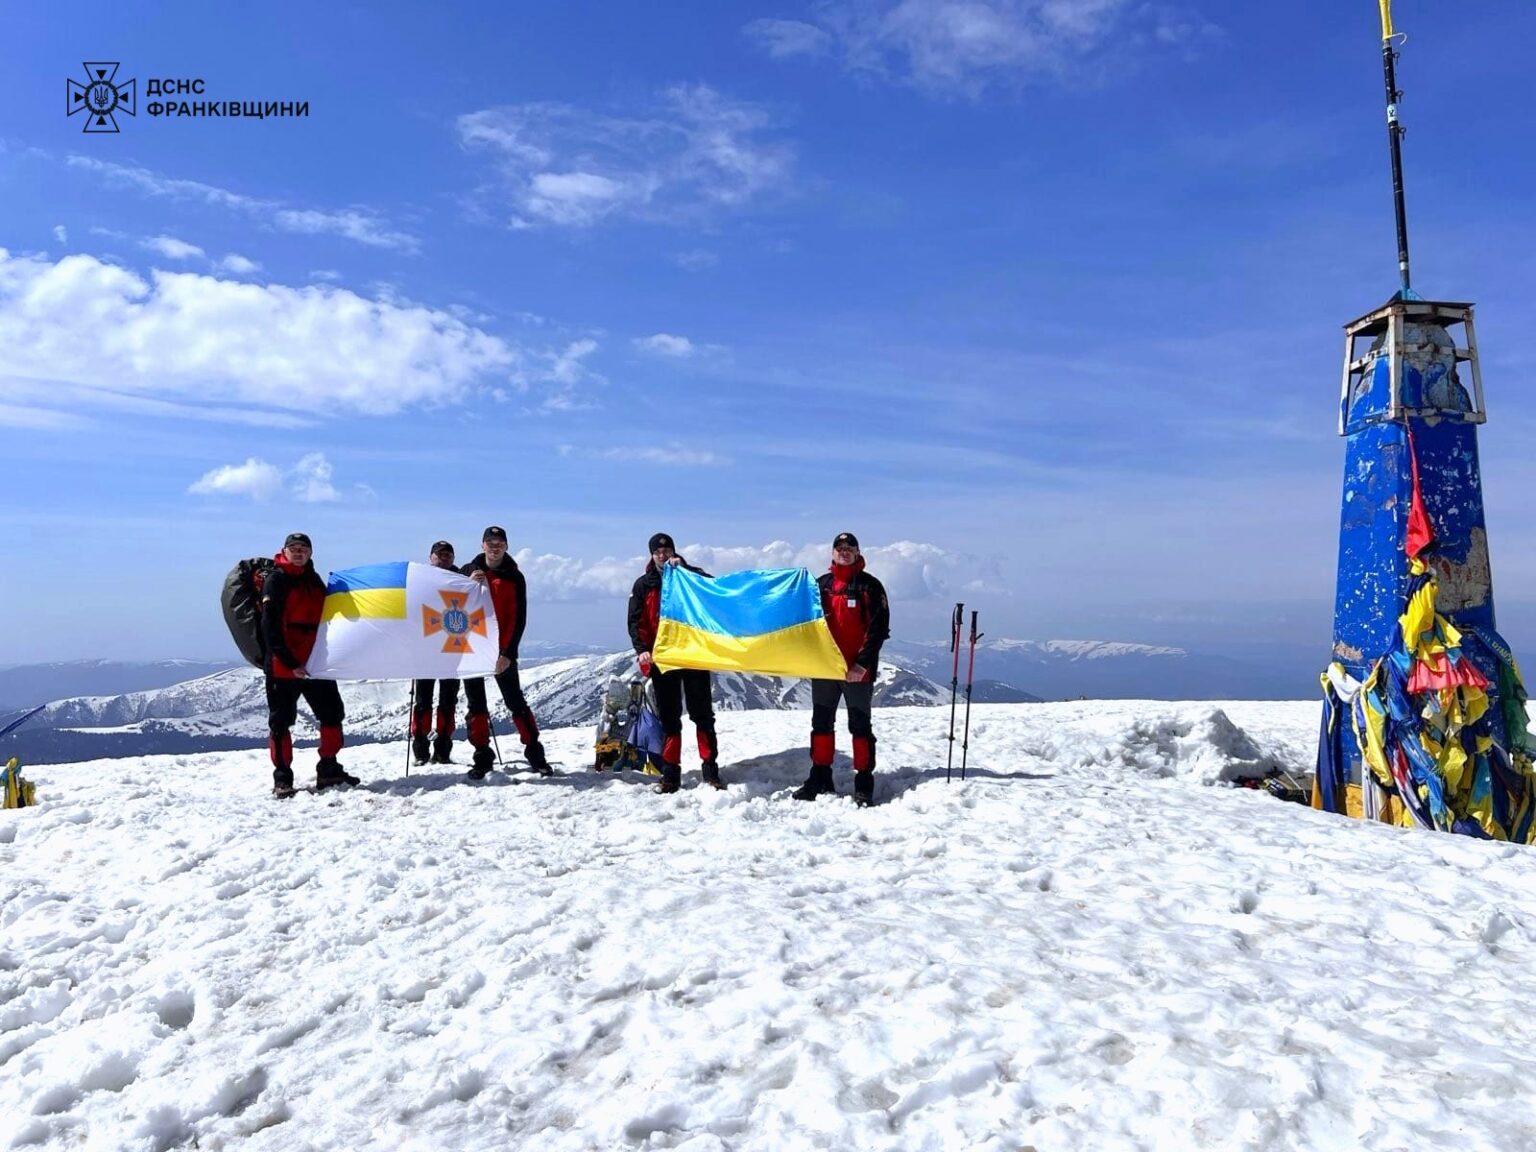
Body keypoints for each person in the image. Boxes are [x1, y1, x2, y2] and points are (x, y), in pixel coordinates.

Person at [794, 531, 889, 806]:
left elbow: (878, 629)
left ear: (858, 553)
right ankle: (820, 775)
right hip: (825, 668)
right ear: (832, 553)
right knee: (821, 724)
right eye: (839, 547)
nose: (844, 551)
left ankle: (863, 781)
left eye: (850, 547)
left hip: (857, 671)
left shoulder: (870, 587)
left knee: (859, 726)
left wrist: (861, 664)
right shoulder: (821, 585)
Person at [261, 531, 358, 797]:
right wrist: (290, 662)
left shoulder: (314, 580)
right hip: (284, 666)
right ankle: (282, 779)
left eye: (304, 548)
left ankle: (328, 769)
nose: (299, 552)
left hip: (315, 663)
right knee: (280, 723)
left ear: (310, 553)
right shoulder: (276, 580)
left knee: (332, 714)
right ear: (284, 551)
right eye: (294, 548)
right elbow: (270, 628)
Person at [627, 531, 723, 793]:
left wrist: (685, 569)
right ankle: (670, 775)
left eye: (666, 550)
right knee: (669, 718)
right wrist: (642, 649)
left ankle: (711, 771)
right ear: (651, 555)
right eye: (657, 552)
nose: (662, 554)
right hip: (663, 658)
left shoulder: (690, 574)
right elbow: (635, 622)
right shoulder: (643, 585)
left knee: (702, 715)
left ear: (673, 552)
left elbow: (713, 590)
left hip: (693, 654)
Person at [460, 525, 552, 780]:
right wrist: (469, 575)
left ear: (506, 546)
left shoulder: (515, 577)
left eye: (499, 542)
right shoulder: (470, 571)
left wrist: (508, 653)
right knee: (476, 706)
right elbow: (453, 587)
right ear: (482, 546)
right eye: (490, 542)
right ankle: (482, 758)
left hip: (502, 650)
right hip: (473, 648)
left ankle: (536, 755)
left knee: (516, 703)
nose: (495, 546)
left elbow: (518, 617)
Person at [411, 539, 462, 766]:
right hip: (425, 650)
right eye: (439, 555)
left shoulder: (462, 580)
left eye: (447, 555)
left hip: (453, 649)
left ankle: (443, 749)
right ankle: (421, 750)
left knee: (448, 702)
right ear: (430, 557)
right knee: (422, 702)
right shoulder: (419, 580)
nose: (443, 558)